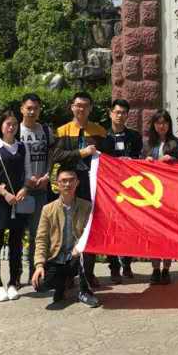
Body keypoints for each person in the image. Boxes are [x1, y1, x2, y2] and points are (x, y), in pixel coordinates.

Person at [51, 91, 107, 287]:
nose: (81, 109)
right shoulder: (62, 131)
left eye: (85, 105)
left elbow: (108, 158)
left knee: (89, 229)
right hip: (69, 187)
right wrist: (81, 152)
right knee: (67, 229)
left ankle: (88, 273)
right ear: (72, 107)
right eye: (78, 105)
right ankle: (67, 274)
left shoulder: (99, 131)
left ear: (90, 108)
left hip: (91, 187)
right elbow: (57, 155)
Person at [31, 168, 100, 309]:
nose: (67, 184)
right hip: (57, 258)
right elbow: (41, 239)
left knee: (87, 252)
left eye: (71, 180)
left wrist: (79, 246)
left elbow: (90, 234)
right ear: (57, 183)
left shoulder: (86, 206)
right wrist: (39, 265)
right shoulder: (48, 209)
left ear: (77, 182)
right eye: (63, 181)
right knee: (40, 283)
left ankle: (84, 291)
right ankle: (62, 285)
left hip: (77, 257)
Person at [0, 106, 31, 302]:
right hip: (0, 203)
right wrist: (4, 193)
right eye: (8, 124)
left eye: (14, 124)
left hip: (18, 202)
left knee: (16, 245)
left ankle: (12, 283)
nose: (11, 127)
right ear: (1, 126)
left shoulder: (22, 147)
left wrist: (25, 188)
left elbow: (28, 173)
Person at [98, 98, 143, 283]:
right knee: (110, 228)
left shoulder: (134, 136)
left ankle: (127, 263)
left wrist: (131, 162)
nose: (120, 116)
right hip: (108, 189)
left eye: (124, 113)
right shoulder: (102, 136)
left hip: (129, 189)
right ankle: (114, 267)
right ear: (110, 113)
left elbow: (139, 160)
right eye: (117, 112)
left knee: (128, 227)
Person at [142, 109, 178, 285]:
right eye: (158, 123)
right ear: (154, 125)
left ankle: (166, 269)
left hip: (170, 194)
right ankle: (155, 269)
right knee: (154, 233)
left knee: (168, 233)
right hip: (152, 194)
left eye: (165, 123)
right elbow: (138, 167)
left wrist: (173, 161)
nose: (162, 126)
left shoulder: (177, 144)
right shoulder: (147, 144)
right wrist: (146, 162)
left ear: (169, 124)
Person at [18, 92, 55, 286]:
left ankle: (35, 275)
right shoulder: (16, 131)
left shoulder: (46, 131)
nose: (32, 112)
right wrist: (26, 181)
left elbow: (51, 155)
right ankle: (15, 275)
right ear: (22, 109)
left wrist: (48, 175)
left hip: (41, 189)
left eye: (36, 108)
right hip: (21, 190)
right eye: (29, 108)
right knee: (17, 234)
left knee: (37, 233)